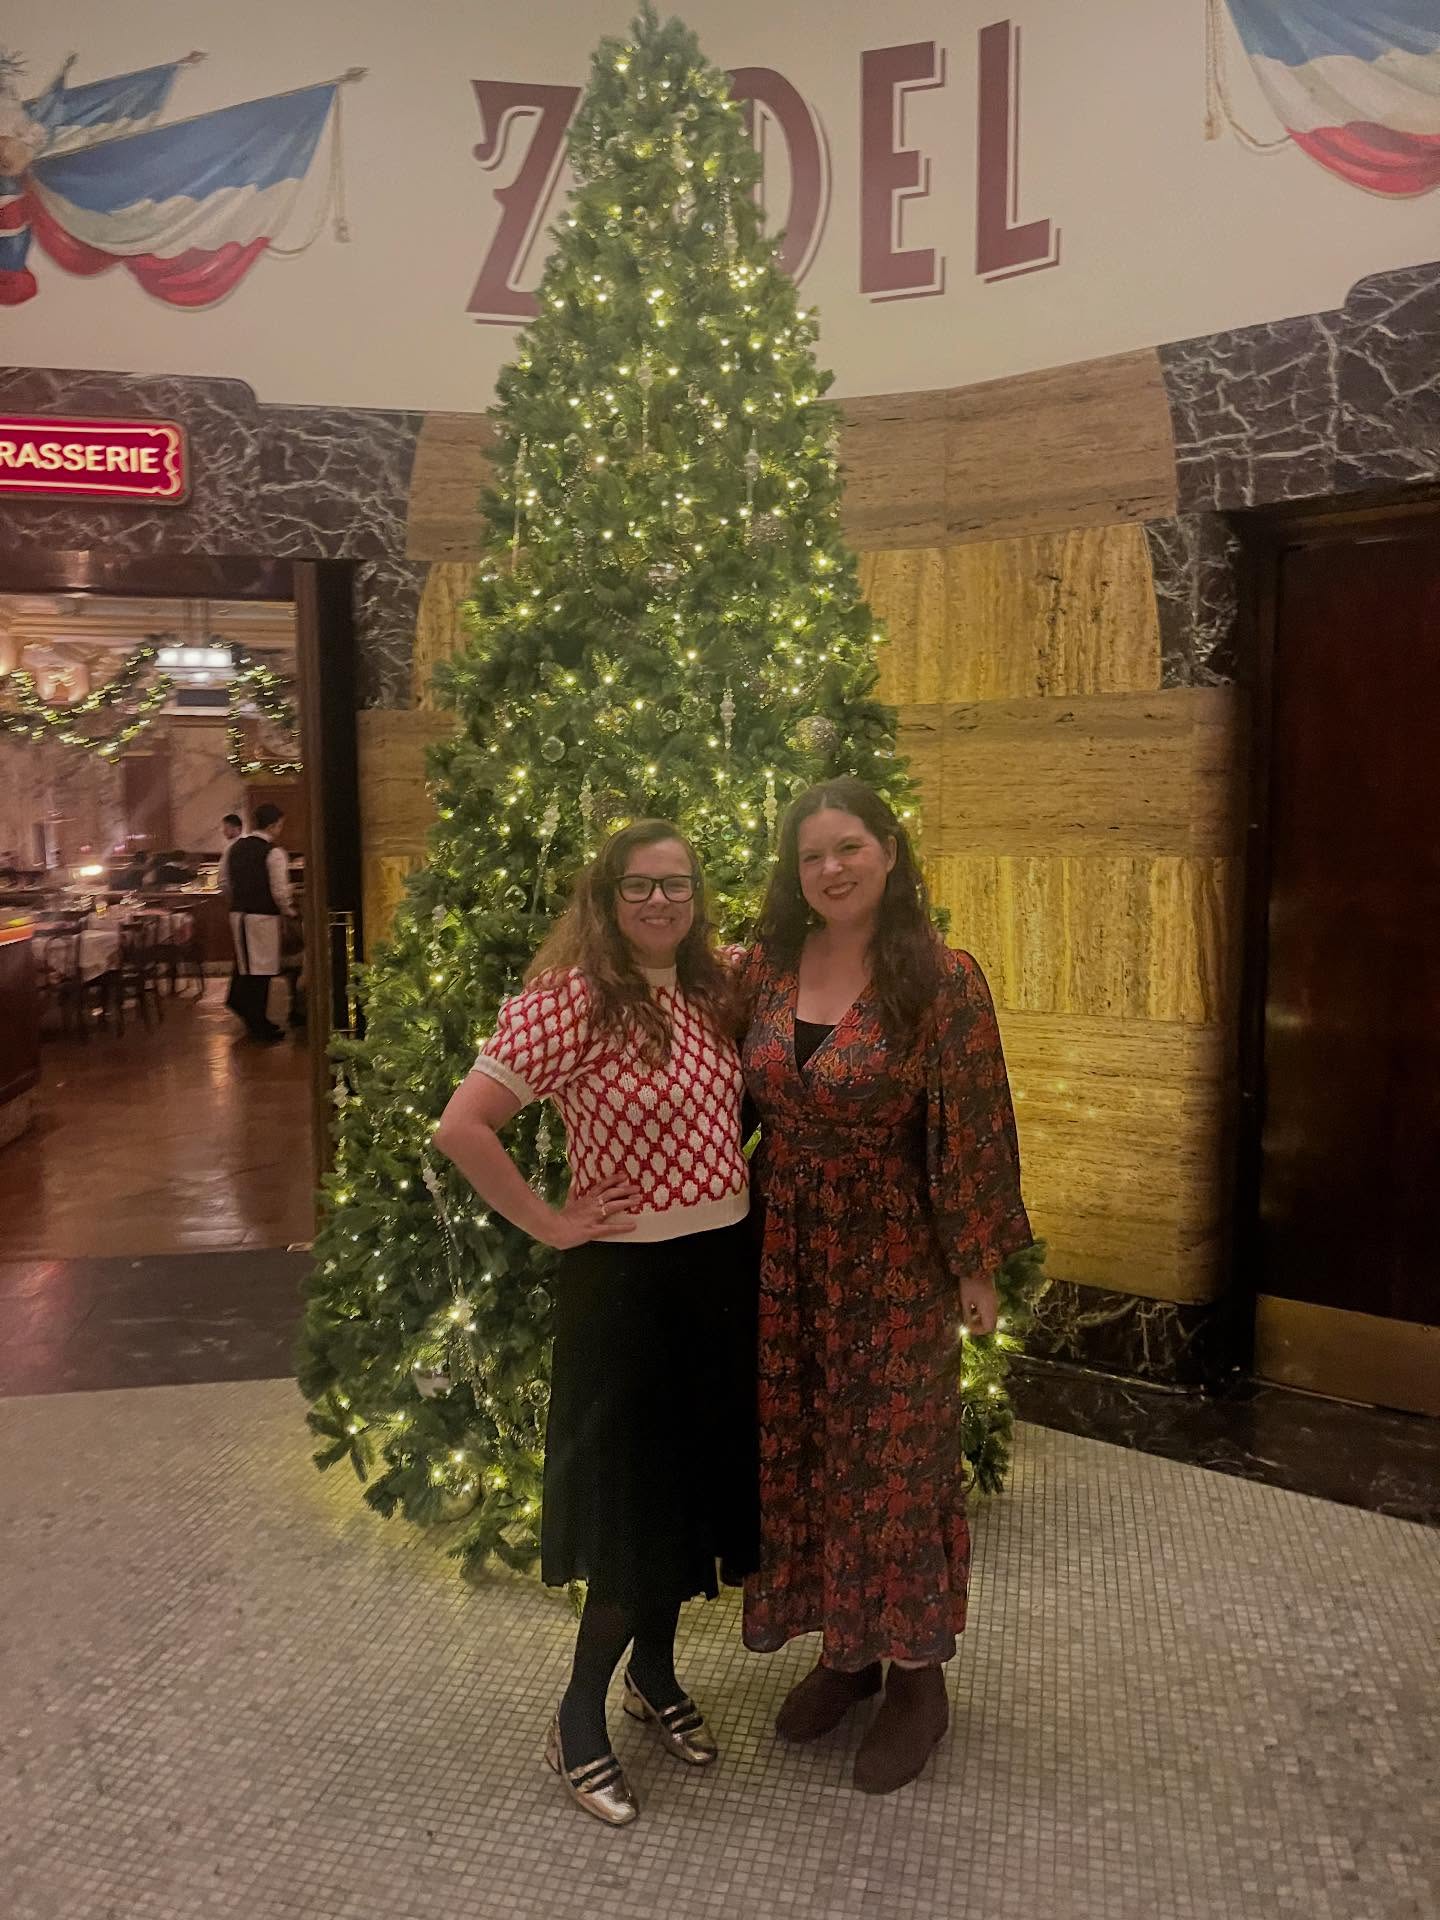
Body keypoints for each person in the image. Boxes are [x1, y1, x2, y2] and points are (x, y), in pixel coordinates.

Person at [434, 820, 756, 1829]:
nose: (659, 902)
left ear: (697, 895)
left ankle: (652, 1678)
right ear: (605, 899)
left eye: (676, 884)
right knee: (636, 1509)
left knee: (690, 1497)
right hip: (627, 1287)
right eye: (637, 886)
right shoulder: (568, 1005)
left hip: (718, 1271)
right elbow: (462, 1126)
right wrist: (548, 1221)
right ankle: (578, 1713)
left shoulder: (715, 990)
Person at [738, 777, 1030, 1796]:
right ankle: (846, 1653)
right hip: (785, 1253)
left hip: (894, 1254)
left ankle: (917, 1680)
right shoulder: (764, 968)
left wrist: (976, 1264)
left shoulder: (939, 979)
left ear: (889, 851)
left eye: (849, 846)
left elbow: (976, 1128)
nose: (832, 867)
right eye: (813, 854)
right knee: (812, 1444)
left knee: (896, 1461)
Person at [224, 803, 295, 1043]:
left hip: (238, 914)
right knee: (261, 970)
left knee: (247, 966)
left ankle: (254, 1017)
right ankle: (257, 1022)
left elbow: (224, 882)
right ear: (274, 824)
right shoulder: (274, 852)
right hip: (262, 916)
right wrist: (288, 911)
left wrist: (237, 901)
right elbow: (279, 891)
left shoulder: (234, 848)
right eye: (280, 824)